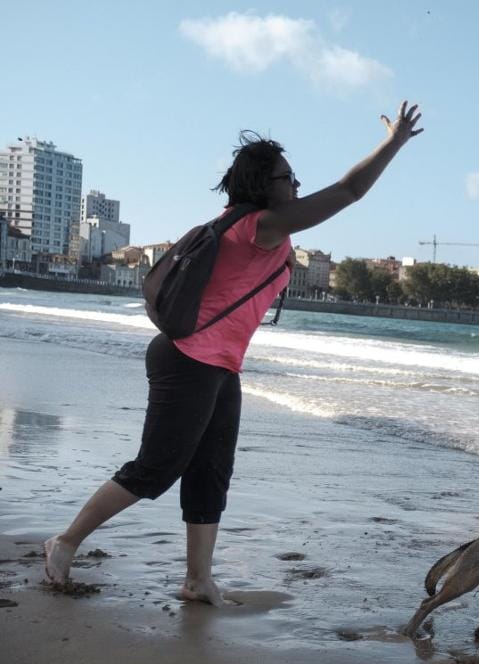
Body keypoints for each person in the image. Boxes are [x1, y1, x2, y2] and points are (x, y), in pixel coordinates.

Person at [43, 100, 424, 605]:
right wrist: (392, 144)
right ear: (264, 185)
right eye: (288, 177)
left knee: (211, 471)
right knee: (158, 467)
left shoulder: (243, 224)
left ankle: (198, 580)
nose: (296, 186)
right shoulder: (259, 226)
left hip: (218, 364)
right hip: (189, 360)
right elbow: (350, 191)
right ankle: (65, 541)